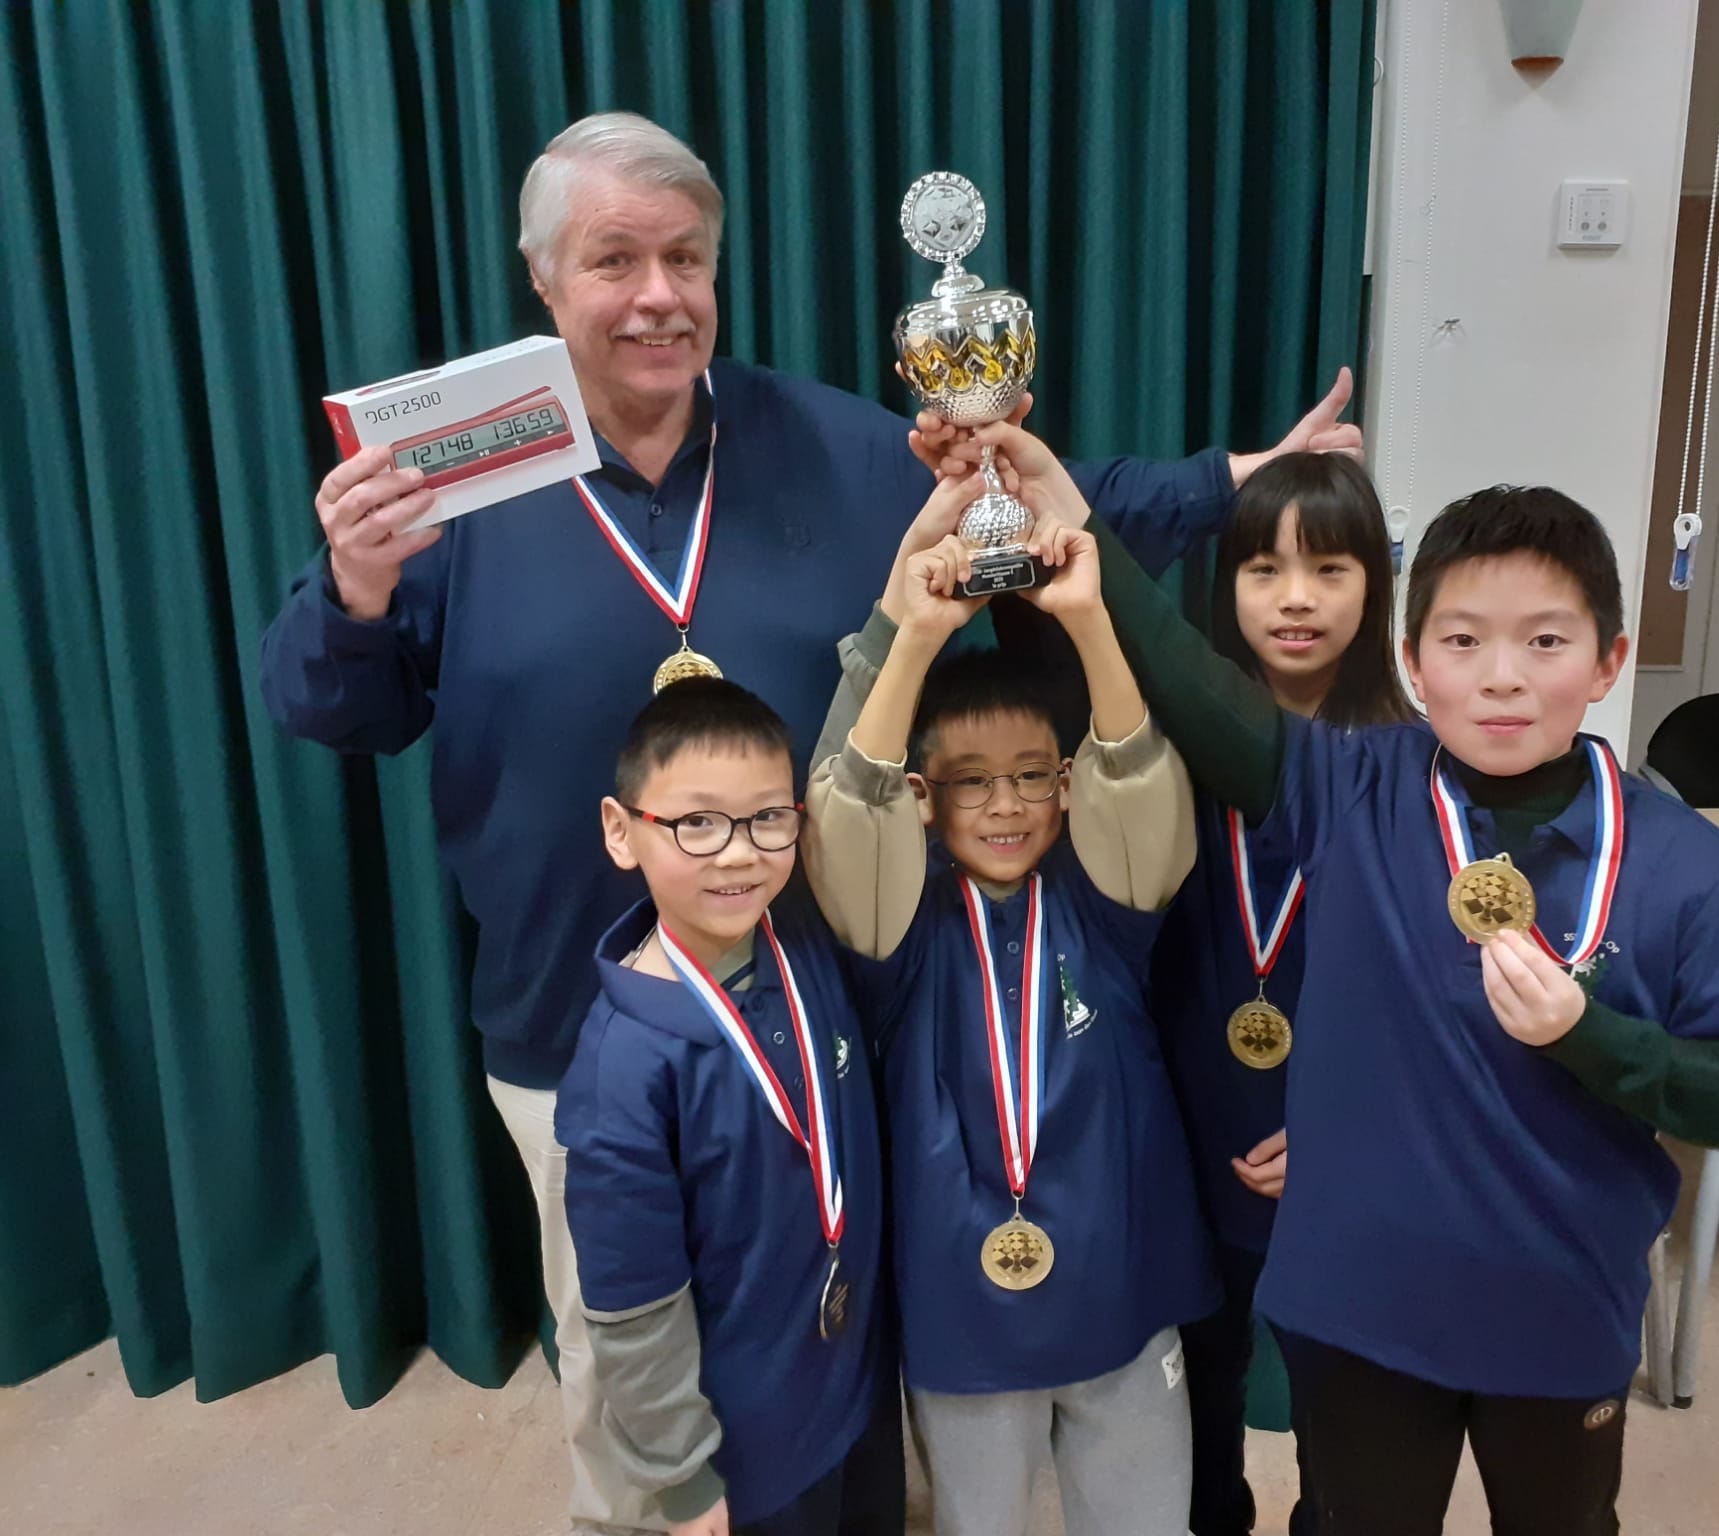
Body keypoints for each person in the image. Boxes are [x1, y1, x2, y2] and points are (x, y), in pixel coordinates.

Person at [255, 109, 1360, 1535]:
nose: (658, 294)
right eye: (615, 261)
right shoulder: (459, 485)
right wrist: (350, 591)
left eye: (687, 259)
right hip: (572, 1024)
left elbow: (1019, 504)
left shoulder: (829, 444)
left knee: (844, 1350)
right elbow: (332, 711)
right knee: (627, 1369)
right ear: (545, 282)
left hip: (830, 1006)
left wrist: (1231, 481)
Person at [977, 422, 1719, 1536]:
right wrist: (1068, 519)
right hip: (1357, 1309)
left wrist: (1588, 1034)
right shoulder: (1348, 786)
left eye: (1545, 642)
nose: (1501, 677)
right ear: (1416, 660)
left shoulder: (1691, 869)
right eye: (1461, 641)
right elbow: (1189, 676)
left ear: (1608, 660)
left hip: (1557, 1310)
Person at [801, 484, 1216, 1536]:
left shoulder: (1104, 900)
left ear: (1065, 786)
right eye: (969, 782)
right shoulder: (899, 921)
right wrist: (913, 636)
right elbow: (847, 819)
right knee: (973, 1522)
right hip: (959, 1301)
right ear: (925, 799)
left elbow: (1141, 780)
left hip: (1120, 1285)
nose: (1002, 804)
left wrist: (1084, 618)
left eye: (1030, 777)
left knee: (1145, 1520)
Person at [556, 676, 895, 1536]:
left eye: (768, 819)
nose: (740, 853)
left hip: (854, 1390)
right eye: (698, 823)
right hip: (745, 1449)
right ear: (621, 831)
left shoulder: (802, 944)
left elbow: (850, 757)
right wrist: (683, 1481)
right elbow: (634, 1312)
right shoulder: (620, 1070)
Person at [1149, 453, 1414, 1536]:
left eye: (1329, 567)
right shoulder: (1172, 741)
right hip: (1192, 1128)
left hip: (1344, 1144)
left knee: (1340, 1415)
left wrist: (1346, 1128)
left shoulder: (1411, 764)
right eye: (1262, 568)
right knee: (1196, 1402)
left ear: (1376, 587)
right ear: (1224, 587)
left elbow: (1425, 993)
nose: (1295, 598)